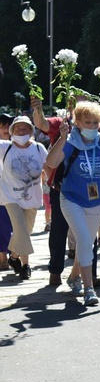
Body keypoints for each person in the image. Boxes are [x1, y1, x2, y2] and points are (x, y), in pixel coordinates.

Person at [45, 102, 100, 305]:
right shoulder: (69, 142)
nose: (91, 126)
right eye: (87, 122)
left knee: (85, 241)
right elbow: (51, 163)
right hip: (71, 199)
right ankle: (89, 289)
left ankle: (73, 276)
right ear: (77, 123)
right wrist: (62, 139)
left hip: (98, 201)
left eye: (96, 122)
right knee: (84, 238)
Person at [0, 116, 48, 280]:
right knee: (20, 228)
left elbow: (49, 167)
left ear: (31, 131)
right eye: (18, 128)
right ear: (12, 131)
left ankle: (13, 256)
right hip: (10, 196)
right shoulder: (4, 147)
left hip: (32, 198)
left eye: (25, 128)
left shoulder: (39, 148)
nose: (22, 131)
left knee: (26, 231)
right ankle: (26, 265)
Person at [0, 113, 14, 271]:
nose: (4, 129)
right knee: (2, 226)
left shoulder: (18, 144)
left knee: (15, 226)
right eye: (2, 126)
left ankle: (15, 256)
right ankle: (2, 258)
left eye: (7, 126)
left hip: (16, 192)